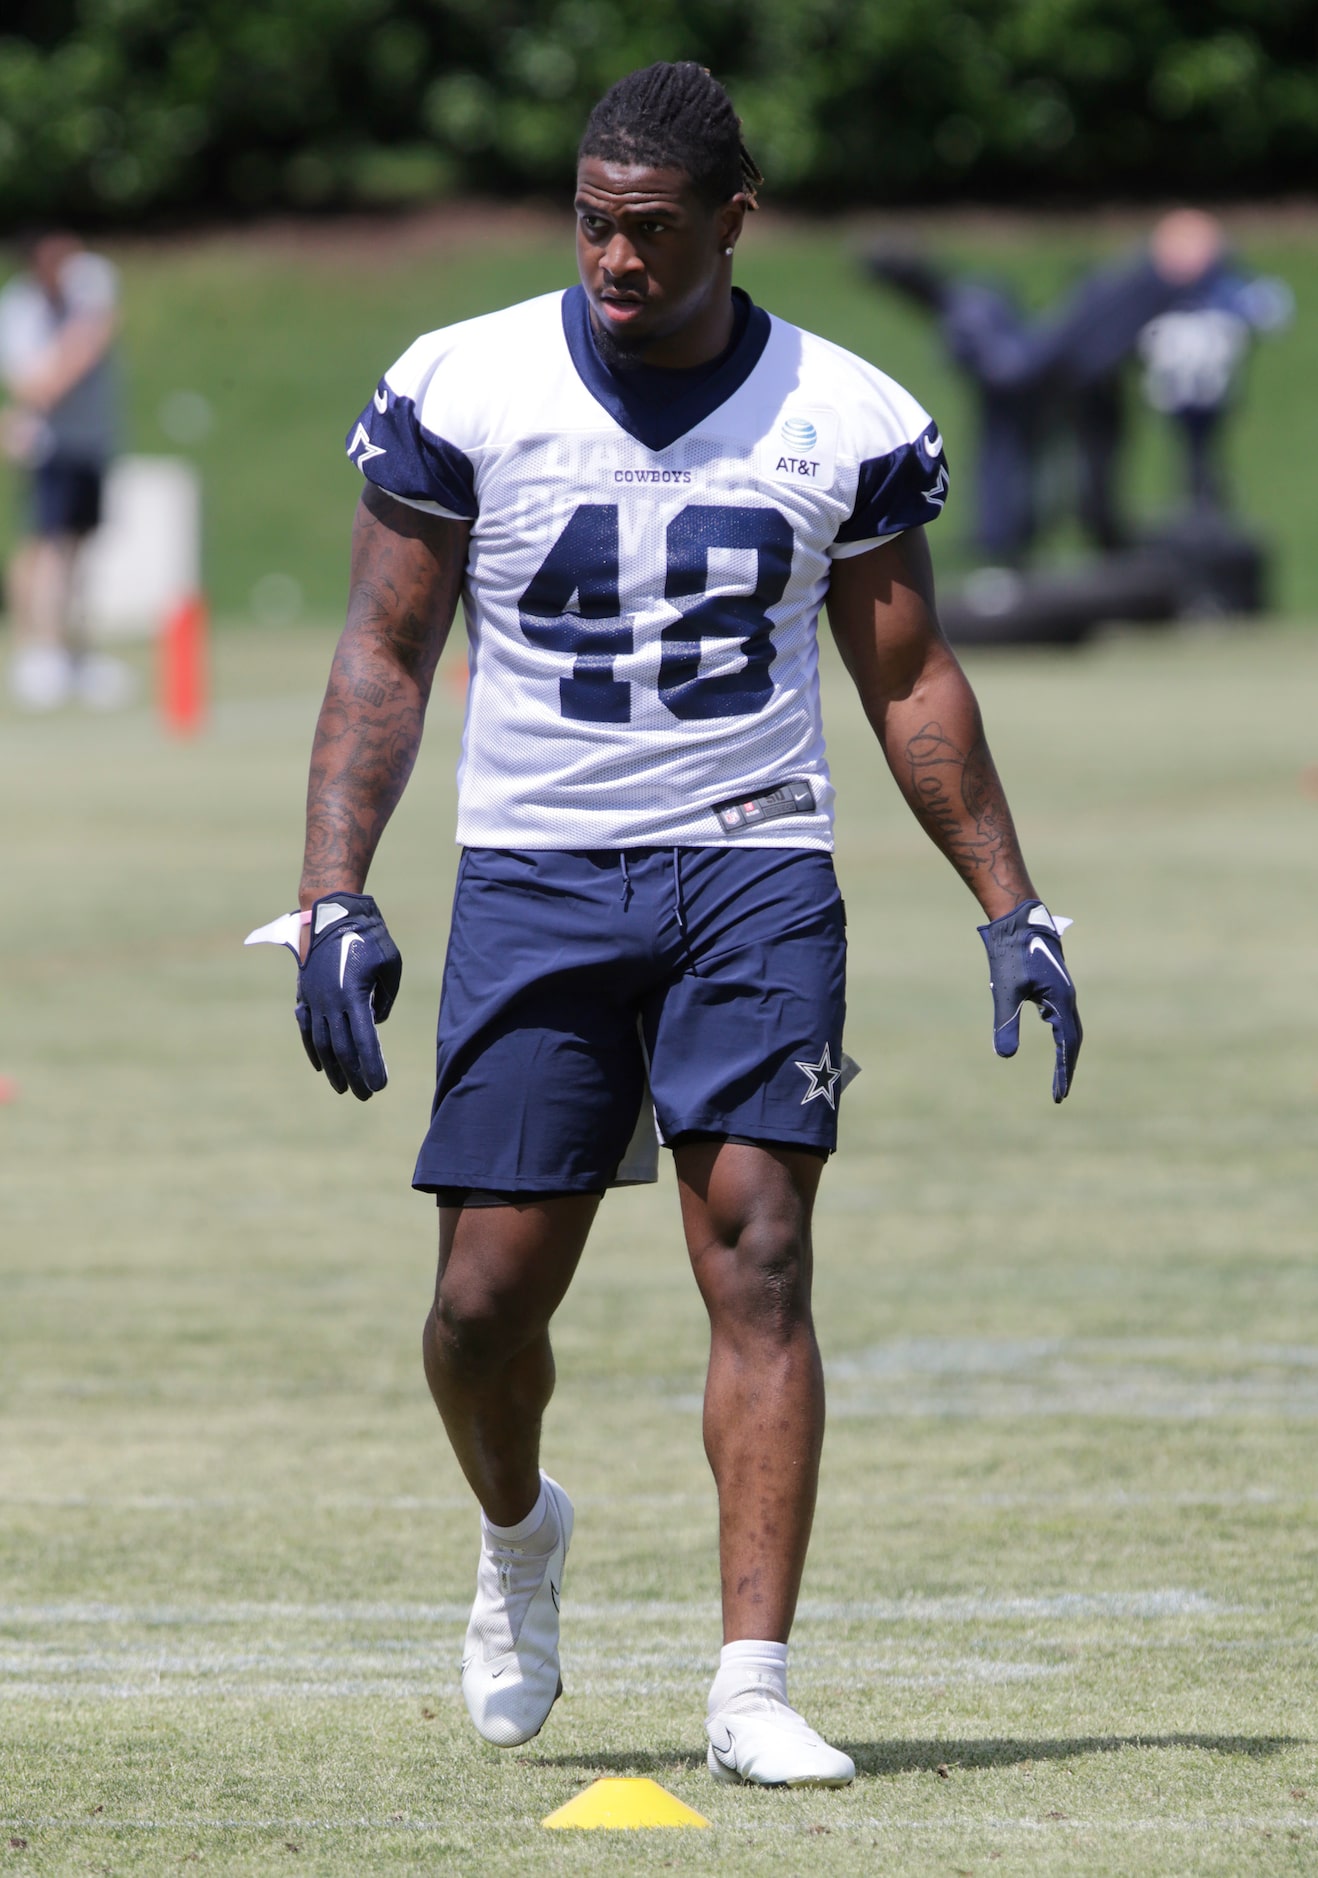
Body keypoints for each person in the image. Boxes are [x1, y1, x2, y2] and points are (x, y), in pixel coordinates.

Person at [253, 62, 1081, 1789]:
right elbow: (381, 654)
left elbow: (906, 673)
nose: (613, 259)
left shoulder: (840, 413)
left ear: (730, 220)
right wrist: (334, 887)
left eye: (647, 228)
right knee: (482, 1301)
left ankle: (749, 1678)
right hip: (536, 869)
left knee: (759, 1248)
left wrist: (1011, 902)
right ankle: (518, 1532)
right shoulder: (462, 384)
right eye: (590, 220)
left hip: (750, 872)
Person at [867, 211, 1286, 563]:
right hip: (1042, 368)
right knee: (1020, 450)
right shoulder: (1140, 285)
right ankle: (1007, 542)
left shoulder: (1142, 285)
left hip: (1070, 374)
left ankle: (1053, 539)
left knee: (1081, 459)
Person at [0, 230, 132, 710]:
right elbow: (26, 381)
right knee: (43, 545)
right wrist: (35, 397)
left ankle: (75, 655)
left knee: (79, 547)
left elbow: (91, 339)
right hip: (48, 446)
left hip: (92, 438)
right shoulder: (17, 307)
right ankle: (39, 653)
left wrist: (46, 386)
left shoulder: (93, 279)